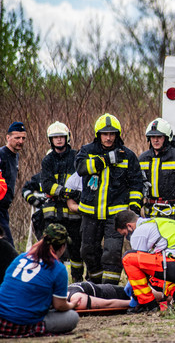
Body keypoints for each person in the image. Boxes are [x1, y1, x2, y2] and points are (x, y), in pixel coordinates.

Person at [75, 113, 143, 284]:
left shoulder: (127, 155)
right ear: (98, 135)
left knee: (112, 253)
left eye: (112, 134)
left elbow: (136, 183)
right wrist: (106, 160)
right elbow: (81, 168)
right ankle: (95, 283)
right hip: (90, 214)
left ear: (117, 135)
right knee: (88, 251)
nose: (108, 137)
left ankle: (110, 288)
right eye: (105, 134)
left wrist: (133, 209)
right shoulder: (87, 151)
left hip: (116, 216)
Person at [0, 224, 79, 337]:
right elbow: (60, 306)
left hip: (1, 320)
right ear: (62, 247)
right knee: (72, 317)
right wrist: (72, 305)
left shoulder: (21, 258)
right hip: (21, 324)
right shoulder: (58, 268)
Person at [40, 122, 84, 282]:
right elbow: (46, 184)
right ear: (50, 140)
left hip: (74, 214)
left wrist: (75, 194)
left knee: (76, 250)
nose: (58, 140)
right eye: (55, 137)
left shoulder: (76, 156)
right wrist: (66, 192)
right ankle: (49, 280)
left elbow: (82, 180)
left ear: (67, 138)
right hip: (53, 214)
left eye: (61, 137)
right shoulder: (47, 160)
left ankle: (77, 280)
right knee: (51, 249)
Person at [138, 118, 175, 222]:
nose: (155, 140)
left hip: (174, 214)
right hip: (151, 214)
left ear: (167, 138)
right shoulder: (142, 159)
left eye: (159, 136)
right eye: (152, 137)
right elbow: (137, 184)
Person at [0, 121, 27, 246]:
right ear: (8, 137)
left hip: (4, 209)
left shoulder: (15, 156)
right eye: (17, 138)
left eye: (23, 138)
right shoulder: (2, 154)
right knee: (8, 246)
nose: (20, 141)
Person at [22, 172, 46, 242]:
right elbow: (25, 190)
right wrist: (34, 201)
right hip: (41, 215)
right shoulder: (39, 177)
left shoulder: (63, 176)